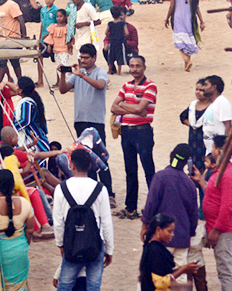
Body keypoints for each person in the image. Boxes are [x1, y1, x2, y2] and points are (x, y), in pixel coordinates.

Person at [140, 145, 202, 288]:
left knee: (158, 278)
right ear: (187, 163)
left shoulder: (160, 177)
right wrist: (189, 233)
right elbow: (193, 214)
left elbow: (151, 204)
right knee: (180, 274)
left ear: (171, 155)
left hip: (161, 237)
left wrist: (145, 225)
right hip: (182, 238)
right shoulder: (190, 184)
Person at [52, 148, 114, 291]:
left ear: (71, 165)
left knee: (65, 285)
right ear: (90, 166)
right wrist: (109, 249)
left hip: (71, 243)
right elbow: (106, 222)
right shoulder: (100, 189)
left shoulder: (61, 189)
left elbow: (58, 221)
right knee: (93, 286)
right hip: (95, 244)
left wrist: (61, 244)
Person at [58, 44, 113, 196]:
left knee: (100, 157)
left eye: (86, 57)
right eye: (81, 57)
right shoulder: (77, 73)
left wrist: (81, 75)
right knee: (85, 158)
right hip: (80, 120)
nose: (83, 60)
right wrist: (63, 74)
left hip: (96, 121)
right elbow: (63, 90)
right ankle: (93, 192)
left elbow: (101, 86)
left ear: (94, 58)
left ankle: (109, 193)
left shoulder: (100, 72)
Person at [191, 135, 232, 291]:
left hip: (222, 229)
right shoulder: (220, 171)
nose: (211, 151)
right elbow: (214, 195)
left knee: (225, 269)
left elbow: (228, 206)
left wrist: (216, 230)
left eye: (212, 148)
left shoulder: (227, 174)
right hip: (216, 226)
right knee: (227, 266)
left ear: (219, 150)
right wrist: (200, 181)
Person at [112, 55, 157, 220]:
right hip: (127, 132)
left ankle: (154, 207)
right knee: (130, 171)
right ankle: (131, 208)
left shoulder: (151, 86)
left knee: (148, 170)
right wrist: (132, 107)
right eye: (132, 66)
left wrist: (123, 105)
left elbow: (140, 110)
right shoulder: (126, 85)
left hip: (143, 131)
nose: (134, 69)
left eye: (138, 66)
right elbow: (114, 107)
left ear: (144, 67)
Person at [139, 212, 200, 291]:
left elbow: (163, 272)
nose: (172, 235)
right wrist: (183, 270)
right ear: (158, 230)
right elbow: (159, 282)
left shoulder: (155, 247)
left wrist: (184, 270)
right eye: (169, 231)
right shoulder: (154, 251)